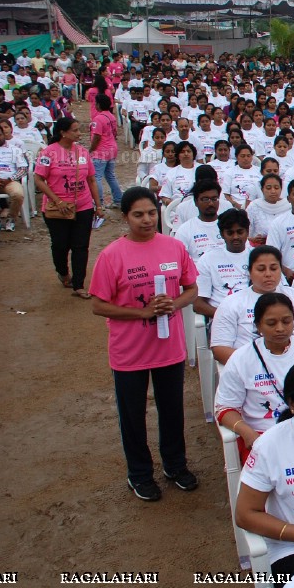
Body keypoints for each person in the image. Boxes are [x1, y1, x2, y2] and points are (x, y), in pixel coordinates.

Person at [90, 187, 199, 500]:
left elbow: (191, 288)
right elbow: (98, 304)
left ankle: (175, 465)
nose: (147, 220)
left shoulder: (174, 247)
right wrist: (141, 312)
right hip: (130, 352)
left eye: (151, 213)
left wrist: (175, 304)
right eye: (138, 215)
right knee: (133, 416)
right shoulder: (112, 256)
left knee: (171, 409)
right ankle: (138, 473)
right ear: (126, 217)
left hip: (169, 347)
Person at [216, 293, 294, 460]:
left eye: (286, 321)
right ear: (258, 325)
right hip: (264, 436)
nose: (280, 328)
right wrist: (247, 432)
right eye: (271, 323)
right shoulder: (241, 359)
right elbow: (226, 408)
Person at [209, 245, 294, 365]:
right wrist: (264, 365)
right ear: (249, 272)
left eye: (273, 268)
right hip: (252, 368)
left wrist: (293, 361)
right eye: (261, 269)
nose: (268, 274)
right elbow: (220, 349)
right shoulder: (231, 303)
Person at [35, 116, 100, 298]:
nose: (79, 133)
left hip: (83, 206)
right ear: (63, 133)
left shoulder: (83, 153)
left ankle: (78, 284)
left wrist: (99, 204)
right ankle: (63, 272)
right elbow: (39, 179)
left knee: (81, 246)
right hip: (57, 209)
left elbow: (91, 180)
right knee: (60, 245)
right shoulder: (48, 153)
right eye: (75, 130)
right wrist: (57, 200)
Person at [194, 208, 250, 318]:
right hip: (221, 320)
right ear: (222, 234)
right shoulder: (208, 259)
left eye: (240, 232)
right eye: (230, 233)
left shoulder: (259, 256)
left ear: (247, 232)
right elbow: (198, 304)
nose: (235, 237)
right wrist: (227, 317)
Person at [89, 92, 121, 210]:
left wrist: (91, 149)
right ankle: (118, 200)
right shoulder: (111, 116)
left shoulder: (98, 119)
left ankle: (99, 201)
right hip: (112, 148)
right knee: (110, 176)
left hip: (101, 151)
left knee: (96, 177)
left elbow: (96, 137)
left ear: (98, 104)